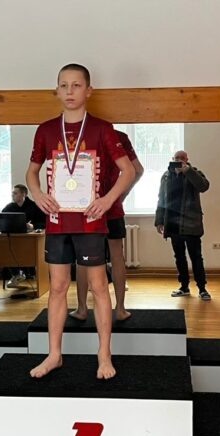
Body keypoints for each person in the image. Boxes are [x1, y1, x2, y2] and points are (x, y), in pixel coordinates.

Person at [26, 63, 135, 380]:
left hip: (90, 220)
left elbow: (128, 170)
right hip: (57, 219)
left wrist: (107, 200)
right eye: (64, 85)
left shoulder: (103, 128)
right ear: (56, 90)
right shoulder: (46, 130)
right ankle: (54, 354)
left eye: (76, 85)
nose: (70, 91)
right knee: (58, 287)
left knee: (99, 287)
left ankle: (104, 355)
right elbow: (31, 172)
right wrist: (37, 194)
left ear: (89, 90)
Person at [71, 131, 144, 321]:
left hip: (86, 206)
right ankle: (120, 309)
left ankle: (82, 309)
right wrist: (120, 196)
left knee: (83, 259)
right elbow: (137, 170)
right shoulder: (119, 136)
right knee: (117, 256)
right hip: (111, 206)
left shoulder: (81, 135)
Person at [155, 150, 211, 300]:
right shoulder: (166, 176)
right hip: (173, 224)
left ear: (187, 159)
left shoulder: (195, 172)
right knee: (179, 257)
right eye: (176, 158)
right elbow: (161, 199)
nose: (179, 160)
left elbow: (204, 186)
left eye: (182, 158)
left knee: (196, 257)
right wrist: (159, 221)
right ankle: (184, 287)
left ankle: (202, 289)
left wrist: (189, 171)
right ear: (172, 159)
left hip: (191, 224)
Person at [0, 184, 45, 288]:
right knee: (6, 249)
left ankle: (27, 273)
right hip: (13, 240)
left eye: (15, 193)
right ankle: (17, 274)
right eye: (12, 193)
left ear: (24, 194)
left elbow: (44, 223)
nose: (13, 195)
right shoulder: (9, 207)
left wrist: (33, 226)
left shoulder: (35, 206)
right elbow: (2, 219)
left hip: (30, 240)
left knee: (23, 251)